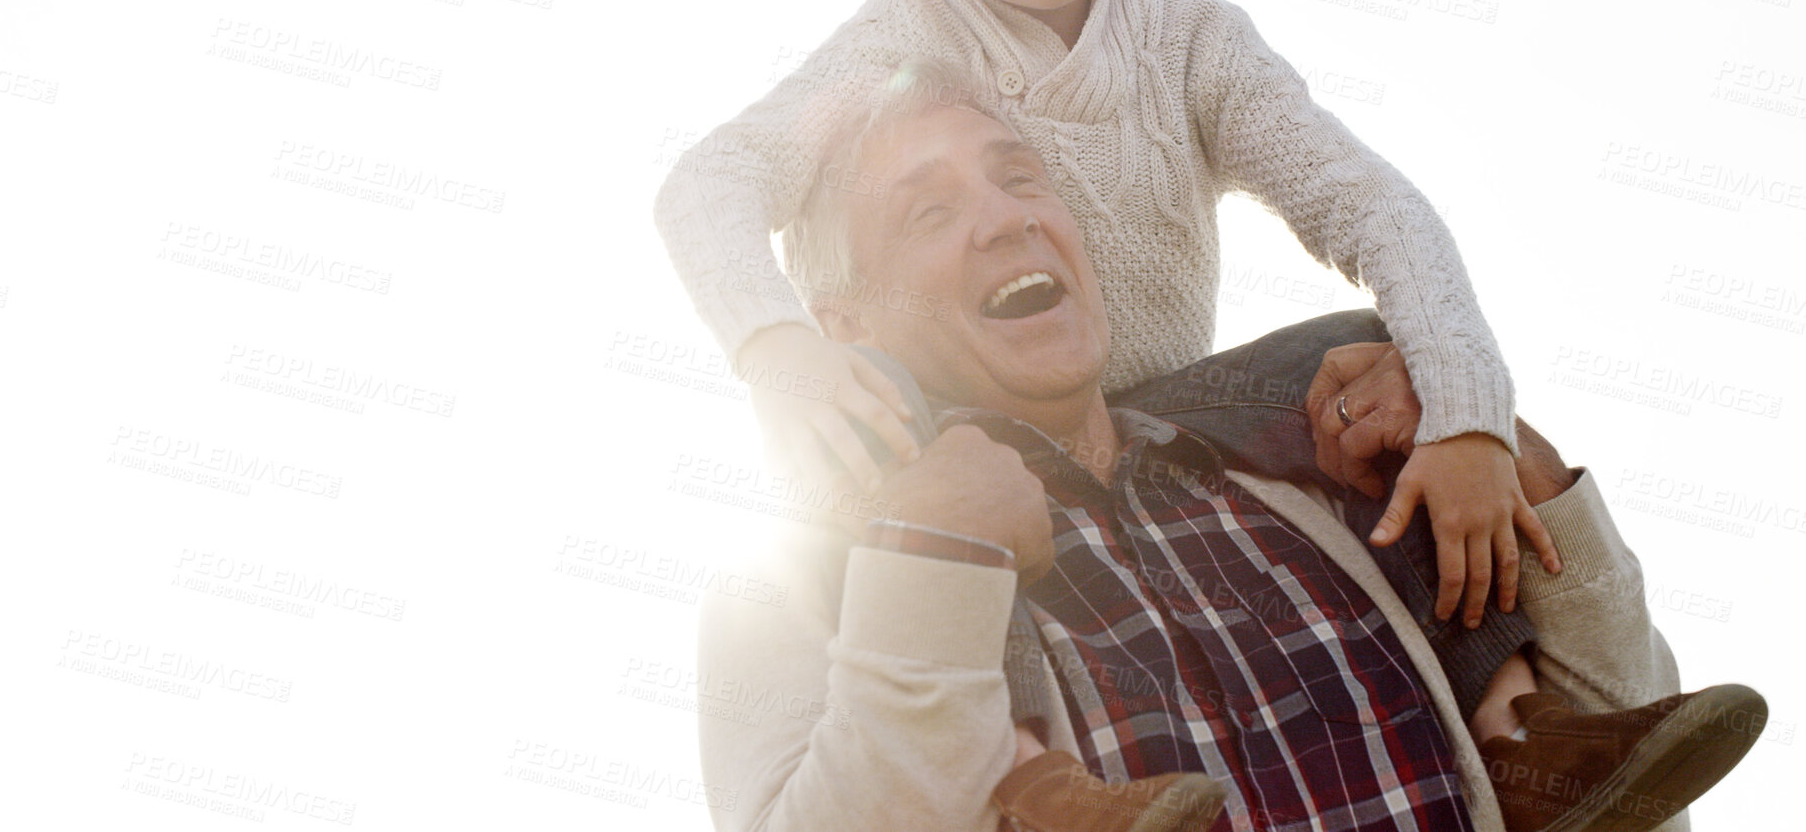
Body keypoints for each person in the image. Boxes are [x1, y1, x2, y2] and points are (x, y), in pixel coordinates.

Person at [693, 74, 1765, 832]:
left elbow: (1632, 761)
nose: (1004, 222)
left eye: (1021, 179)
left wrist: (1491, 437)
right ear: (842, 325)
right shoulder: (798, 582)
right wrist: (929, 569)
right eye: (929, 210)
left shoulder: (1308, 470)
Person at [654, 0, 1552, 641]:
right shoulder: (908, 40)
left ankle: (1513, 719)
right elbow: (709, 182)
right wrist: (776, 352)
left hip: (1170, 413)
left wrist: (1465, 422)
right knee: (893, 455)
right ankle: (1029, 770)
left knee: (1375, 367)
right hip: (978, 422)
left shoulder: (1194, 42)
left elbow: (1369, 203)